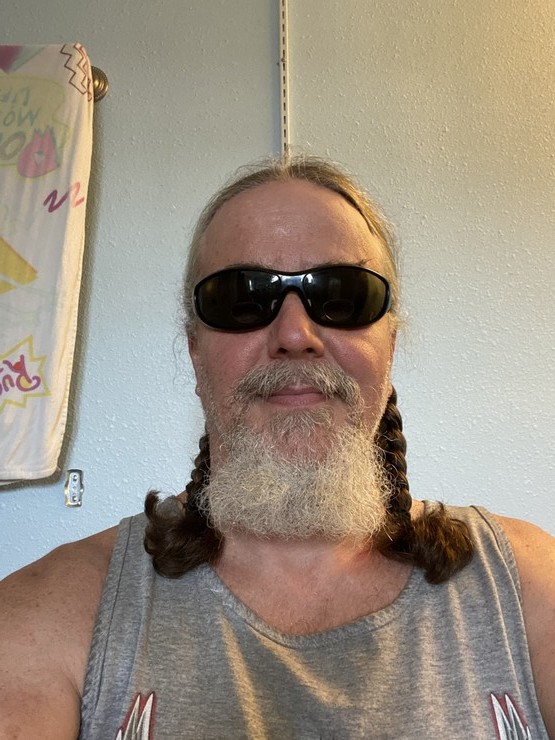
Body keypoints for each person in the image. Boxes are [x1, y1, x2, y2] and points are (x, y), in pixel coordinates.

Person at [0, 155, 553, 739]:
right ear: (195, 352)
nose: (294, 335)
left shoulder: (525, 587)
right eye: (242, 299)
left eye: (342, 296)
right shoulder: (54, 611)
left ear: (389, 347)